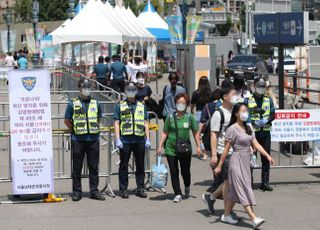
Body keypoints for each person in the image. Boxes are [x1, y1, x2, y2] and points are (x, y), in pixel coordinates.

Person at [213, 103, 274, 228]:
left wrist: (267, 156)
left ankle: (225, 215)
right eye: (243, 111)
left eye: (247, 111)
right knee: (242, 190)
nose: (245, 113)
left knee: (239, 190)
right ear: (236, 114)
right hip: (235, 161)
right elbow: (225, 150)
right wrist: (219, 166)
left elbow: (256, 144)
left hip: (246, 162)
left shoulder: (249, 128)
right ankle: (254, 218)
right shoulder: (231, 129)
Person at [64, 78, 105, 201]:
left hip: (93, 139)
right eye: (84, 87)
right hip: (78, 139)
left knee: (93, 167)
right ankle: (77, 191)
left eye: (88, 87)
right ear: (80, 89)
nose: (86, 90)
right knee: (77, 167)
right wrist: (75, 130)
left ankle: (94, 191)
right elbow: (67, 120)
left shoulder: (96, 103)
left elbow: (98, 119)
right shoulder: (72, 103)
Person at [157, 93, 201, 203]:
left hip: (185, 149)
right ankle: (177, 193)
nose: (180, 105)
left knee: (185, 171)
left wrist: (198, 147)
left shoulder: (190, 117)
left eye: (183, 103)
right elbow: (164, 132)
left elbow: (195, 133)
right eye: (178, 103)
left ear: (186, 105)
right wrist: (160, 146)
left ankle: (187, 185)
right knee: (173, 171)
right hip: (171, 149)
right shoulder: (170, 117)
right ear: (175, 104)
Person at [202, 86, 237, 216]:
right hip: (223, 152)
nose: (235, 96)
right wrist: (214, 155)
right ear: (225, 97)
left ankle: (210, 198)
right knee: (229, 183)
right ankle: (228, 213)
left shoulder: (235, 111)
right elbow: (213, 135)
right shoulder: (219, 113)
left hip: (235, 152)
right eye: (233, 94)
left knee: (229, 182)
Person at [113, 85, 150, 199]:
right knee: (124, 164)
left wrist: (147, 138)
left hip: (139, 139)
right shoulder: (120, 105)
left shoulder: (141, 106)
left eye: (133, 91)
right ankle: (123, 189)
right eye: (129, 91)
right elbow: (116, 122)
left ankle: (140, 188)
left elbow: (145, 122)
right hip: (125, 139)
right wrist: (117, 138)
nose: (131, 93)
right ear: (125, 92)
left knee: (140, 165)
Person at [244, 77, 276, 191]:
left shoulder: (268, 99)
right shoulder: (248, 100)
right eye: (259, 86)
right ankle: (249, 183)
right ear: (254, 85)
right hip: (253, 134)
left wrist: (267, 121)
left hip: (265, 133)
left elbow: (273, 114)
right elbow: (243, 116)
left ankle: (265, 183)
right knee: (251, 158)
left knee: (265, 158)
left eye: (263, 86)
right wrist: (252, 122)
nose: (261, 88)